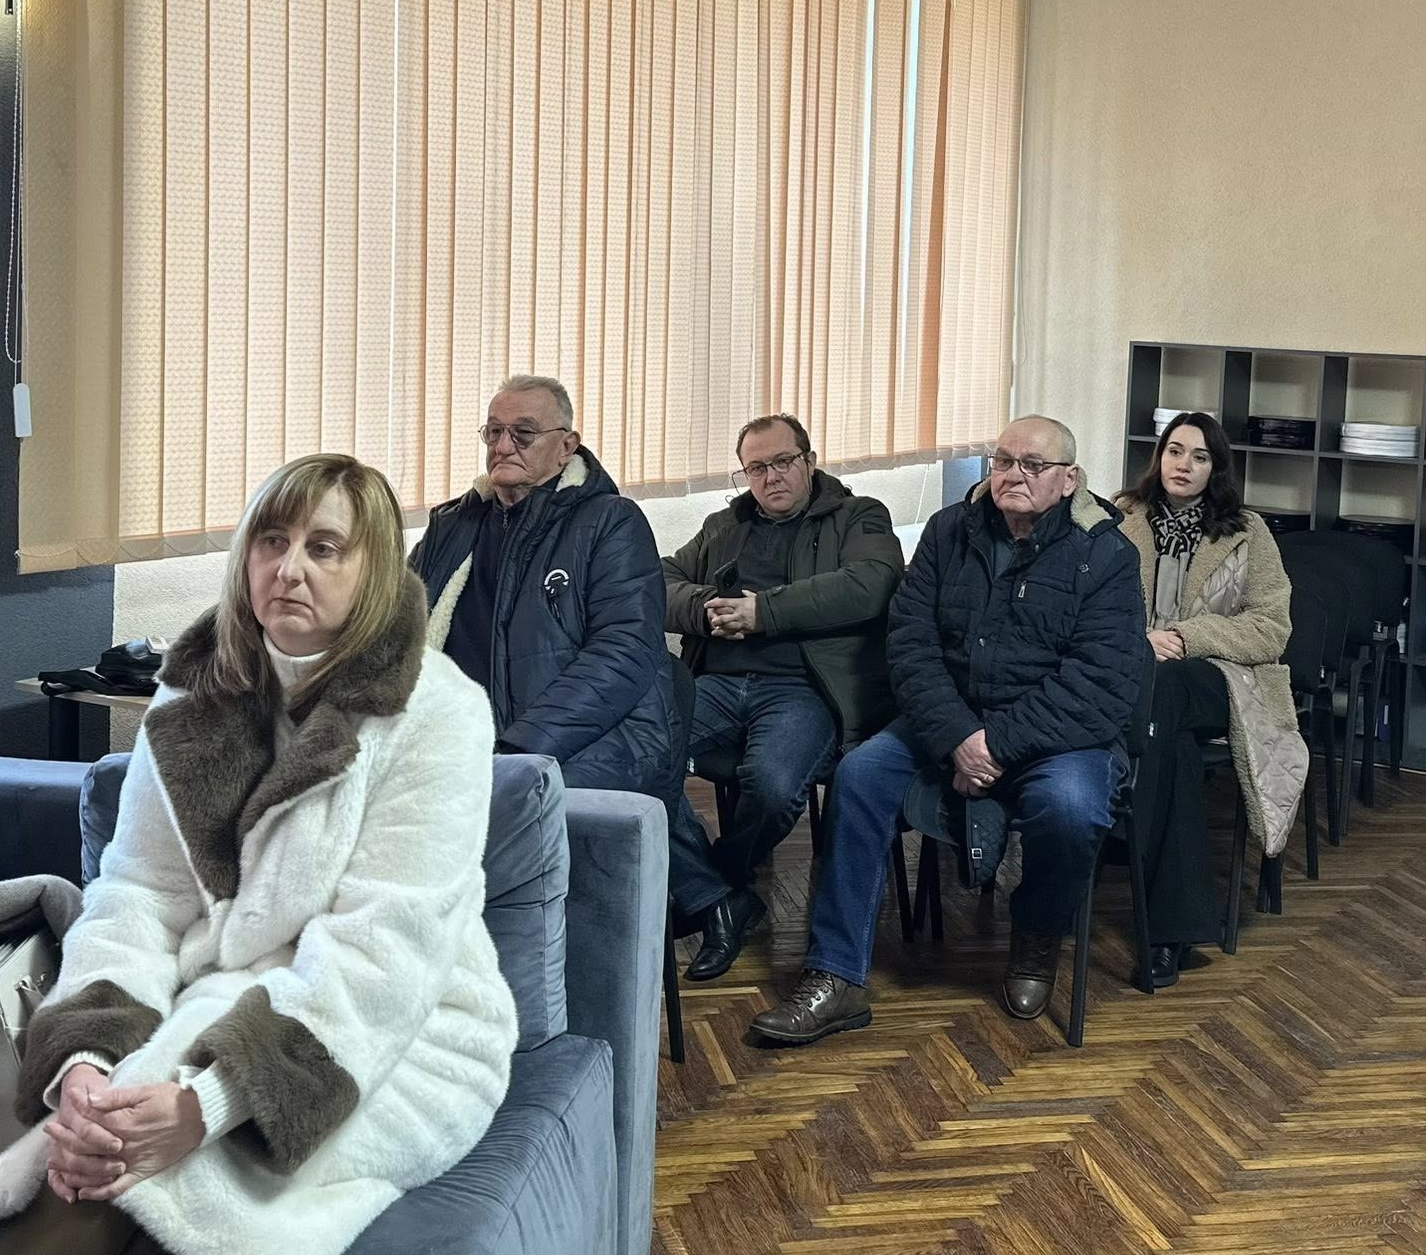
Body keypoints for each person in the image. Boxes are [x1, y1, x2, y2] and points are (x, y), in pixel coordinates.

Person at [0, 455, 516, 1255]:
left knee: (145, 1171)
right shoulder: (191, 697)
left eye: (325, 547)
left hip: (404, 1035)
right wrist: (84, 1061)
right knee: (122, 1150)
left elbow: (382, 957)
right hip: (225, 1002)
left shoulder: (436, 711)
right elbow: (136, 895)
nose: (290, 568)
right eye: (272, 541)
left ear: (372, 570)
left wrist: (209, 1104)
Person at [752, 417, 1145, 1046]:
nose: (1013, 475)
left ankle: (1037, 937)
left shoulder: (1106, 554)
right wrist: (959, 736)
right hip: (950, 719)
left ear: (1069, 480)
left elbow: (1097, 682)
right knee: (859, 775)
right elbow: (910, 645)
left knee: (1071, 808)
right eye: (1003, 461)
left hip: (1059, 734)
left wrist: (994, 746)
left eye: (1033, 465)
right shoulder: (948, 531)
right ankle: (836, 975)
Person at [661, 413, 903, 979]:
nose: (771, 477)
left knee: (772, 786)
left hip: (805, 689)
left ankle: (717, 883)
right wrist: (703, 608)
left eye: (783, 462)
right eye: (756, 468)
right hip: (718, 683)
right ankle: (720, 898)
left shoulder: (859, 516)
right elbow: (656, 580)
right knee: (632, 755)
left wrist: (762, 612)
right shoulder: (724, 526)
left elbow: (872, 584)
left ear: (809, 462)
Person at [410, 376, 682, 798]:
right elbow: (394, 628)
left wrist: (515, 752)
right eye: (494, 432)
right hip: (461, 746)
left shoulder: (611, 521)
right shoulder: (452, 526)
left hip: (584, 744)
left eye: (523, 433)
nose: (503, 446)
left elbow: (623, 651)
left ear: (566, 446)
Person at [1115, 412, 1305, 985]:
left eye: (1200, 457)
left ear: (1215, 469)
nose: (1184, 465)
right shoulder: (1122, 519)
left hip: (1218, 679)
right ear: (1159, 457)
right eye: (1175, 451)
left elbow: (1271, 627)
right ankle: (1168, 934)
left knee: (1169, 688)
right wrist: (1140, 643)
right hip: (1135, 677)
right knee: (1170, 746)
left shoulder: (1247, 531)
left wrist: (1185, 638)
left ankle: (1115, 842)